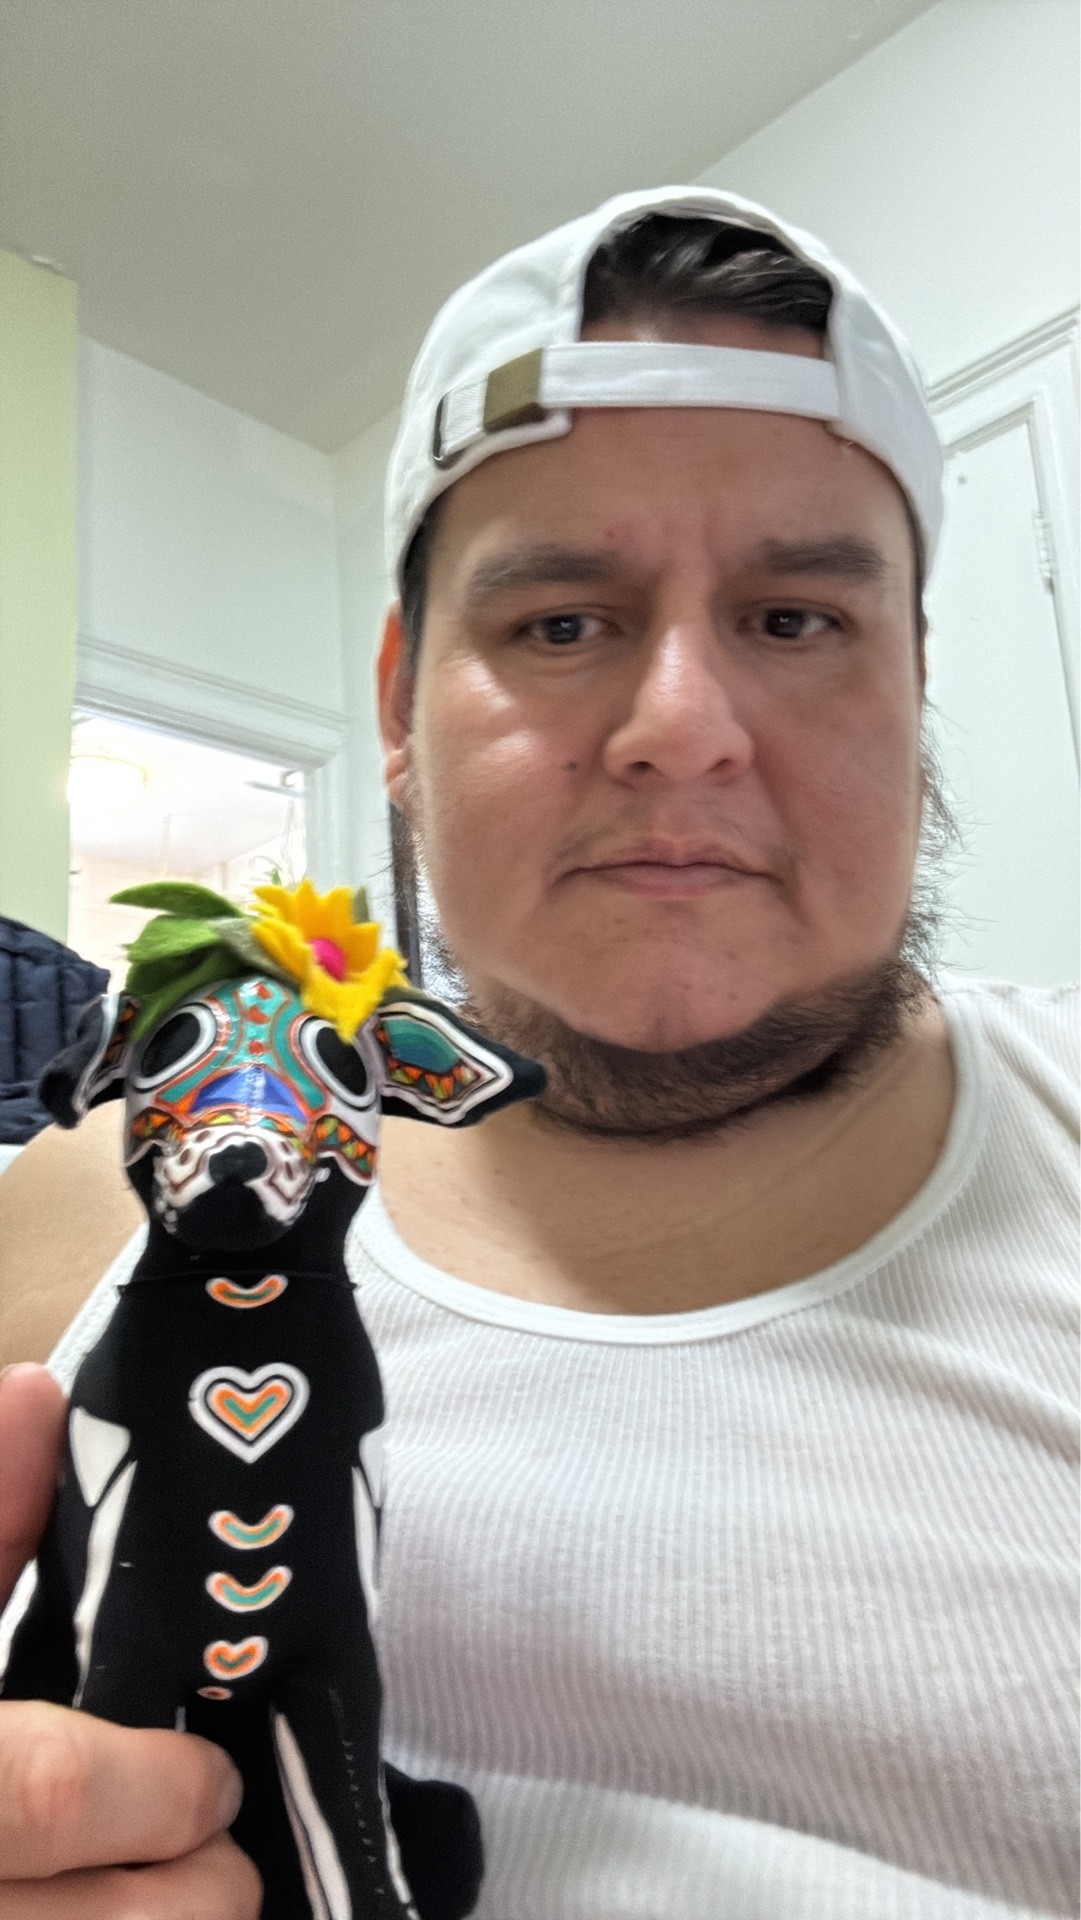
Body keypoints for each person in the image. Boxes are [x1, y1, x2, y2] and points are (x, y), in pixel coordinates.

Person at [0, 186, 1076, 1918]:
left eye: (794, 619)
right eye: (560, 624)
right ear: (397, 704)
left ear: (914, 679)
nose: (681, 732)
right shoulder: (83, 1213)